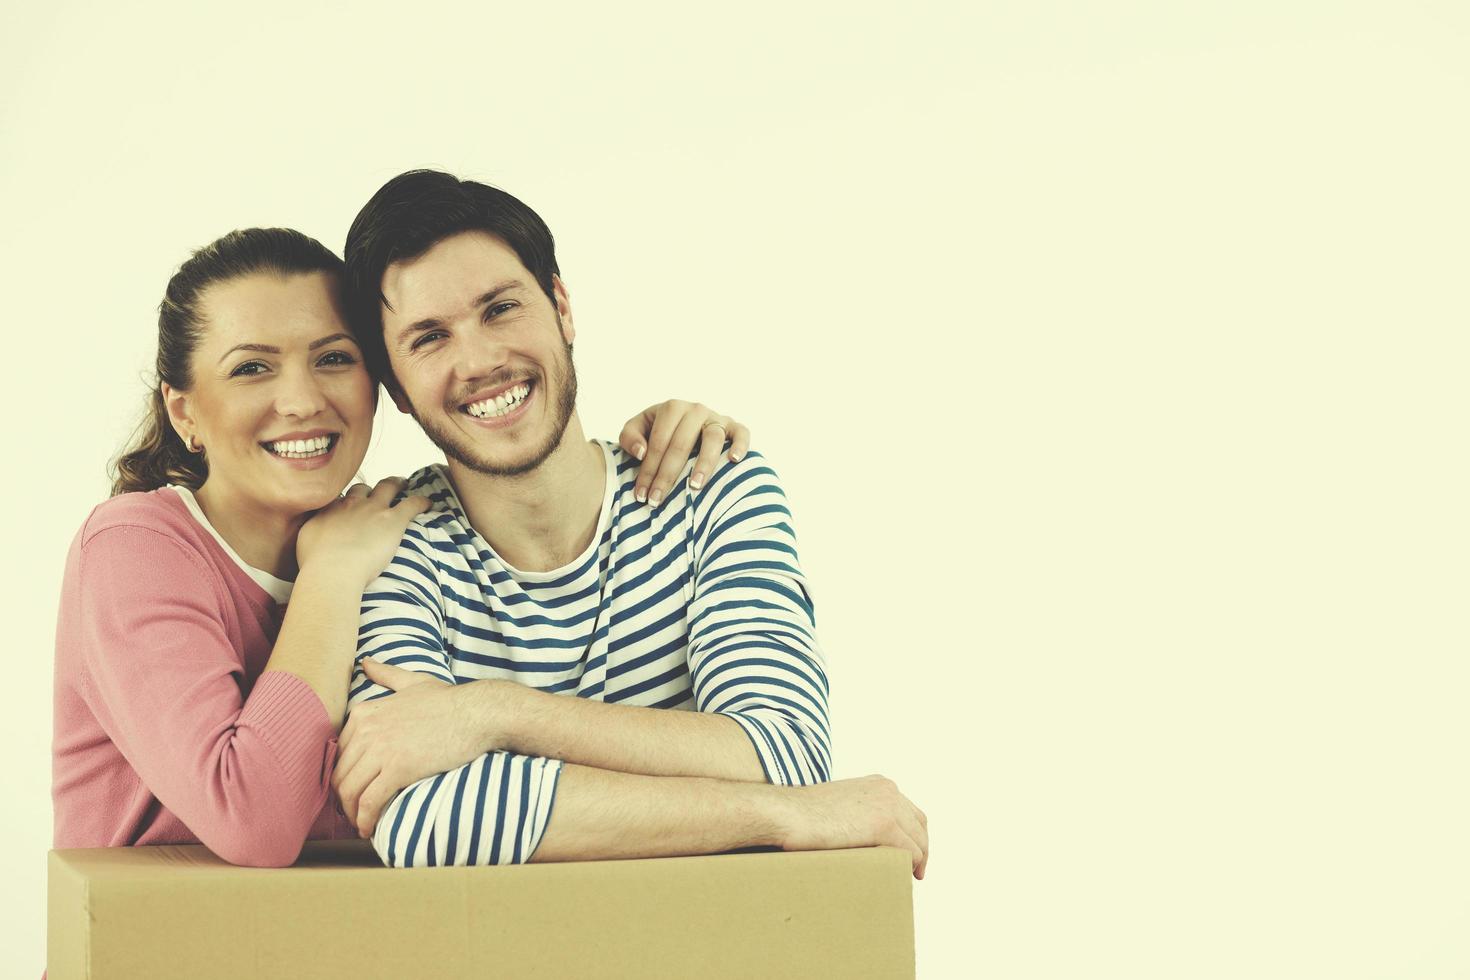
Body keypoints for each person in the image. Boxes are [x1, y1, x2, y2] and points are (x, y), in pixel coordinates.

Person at [51, 225, 755, 868]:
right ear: (184, 411)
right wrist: (331, 576)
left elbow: (505, 782)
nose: (301, 401)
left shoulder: (401, 535)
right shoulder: (138, 548)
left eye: (333, 357)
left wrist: (663, 443)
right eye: (252, 369)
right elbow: (255, 819)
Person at [331, 171, 930, 877]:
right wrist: (785, 817)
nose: (480, 361)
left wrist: (491, 715)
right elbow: (420, 819)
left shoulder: (713, 487)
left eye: (500, 309)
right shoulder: (384, 543)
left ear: (561, 306)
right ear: (396, 387)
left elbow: (785, 751)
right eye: (429, 337)